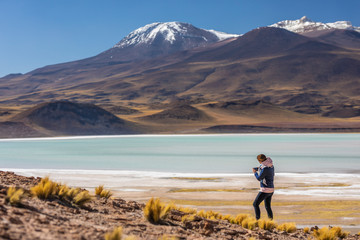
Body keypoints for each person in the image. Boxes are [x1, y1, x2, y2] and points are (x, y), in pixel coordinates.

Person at [252, 153, 275, 220]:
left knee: (255, 204)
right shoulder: (271, 166)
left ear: (260, 160)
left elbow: (259, 178)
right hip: (271, 189)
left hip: (265, 190)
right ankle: (270, 221)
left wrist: (255, 172)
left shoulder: (264, 168)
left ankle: (257, 220)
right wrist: (257, 168)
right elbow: (261, 168)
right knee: (267, 206)